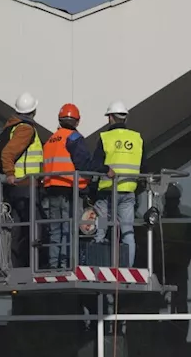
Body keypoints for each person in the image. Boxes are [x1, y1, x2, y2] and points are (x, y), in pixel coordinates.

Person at [40, 103, 96, 269]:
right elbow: (83, 163)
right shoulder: (73, 138)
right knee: (69, 230)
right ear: (77, 122)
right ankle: (66, 265)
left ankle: (53, 266)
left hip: (51, 189)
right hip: (69, 189)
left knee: (55, 231)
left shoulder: (51, 140)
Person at [0, 92, 43, 268]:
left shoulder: (13, 126)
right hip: (25, 185)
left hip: (20, 186)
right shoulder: (26, 129)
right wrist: (10, 173)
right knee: (33, 226)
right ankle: (32, 264)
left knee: (18, 226)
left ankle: (18, 263)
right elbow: (8, 153)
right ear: (34, 110)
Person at [92, 100, 143, 265]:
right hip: (128, 192)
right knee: (128, 231)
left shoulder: (105, 137)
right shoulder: (137, 138)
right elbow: (145, 165)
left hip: (107, 192)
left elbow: (95, 164)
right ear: (125, 118)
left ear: (110, 118)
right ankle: (128, 267)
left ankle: (98, 264)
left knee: (100, 229)